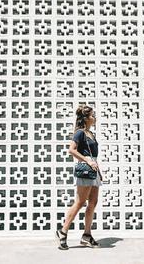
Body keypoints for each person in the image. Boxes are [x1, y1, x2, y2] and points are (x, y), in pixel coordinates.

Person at [55, 104, 102, 250]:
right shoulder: (80, 133)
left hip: (94, 171)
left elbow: (93, 155)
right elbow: (71, 150)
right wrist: (87, 160)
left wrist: (98, 170)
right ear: (86, 118)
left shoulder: (91, 134)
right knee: (80, 202)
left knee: (93, 202)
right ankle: (62, 232)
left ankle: (86, 235)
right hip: (86, 171)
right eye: (92, 115)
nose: (94, 118)